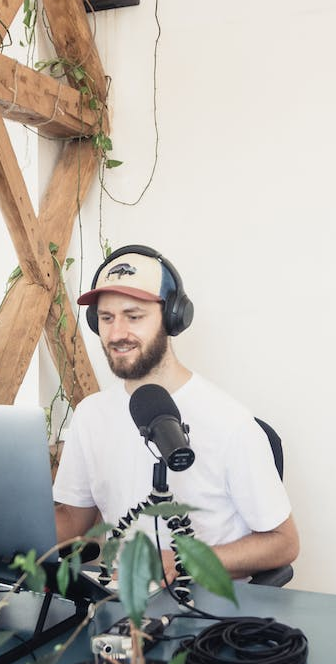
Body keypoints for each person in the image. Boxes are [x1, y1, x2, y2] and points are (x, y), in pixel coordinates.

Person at [52, 245, 299, 582]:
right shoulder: (90, 416)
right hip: (121, 607)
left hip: (209, 614)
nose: (116, 333)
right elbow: (72, 523)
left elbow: (283, 544)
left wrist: (181, 561)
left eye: (134, 316)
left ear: (173, 318)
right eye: (106, 318)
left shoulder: (230, 423)